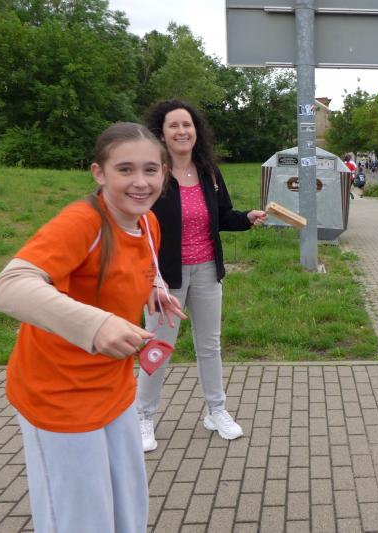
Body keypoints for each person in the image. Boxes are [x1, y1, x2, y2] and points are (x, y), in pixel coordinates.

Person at [0, 122, 186, 532]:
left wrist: (155, 286)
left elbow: (141, 263)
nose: (140, 182)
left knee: (128, 508)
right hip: (59, 395)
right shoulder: (82, 222)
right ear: (99, 173)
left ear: (165, 174)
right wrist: (96, 324)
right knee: (80, 518)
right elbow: (7, 286)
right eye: (125, 169)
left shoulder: (147, 222)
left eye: (151, 170)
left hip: (115, 386)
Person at [136, 100, 267, 452]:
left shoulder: (208, 171)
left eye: (187, 125)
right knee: (158, 346)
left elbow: (222, 216)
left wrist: (246, 218)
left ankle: (216, 411)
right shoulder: (153, 173)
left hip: (208, 270)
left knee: (210, 345)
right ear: (161, 133)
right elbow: (138, 226)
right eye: (174, 126)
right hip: (165, 278)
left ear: (196, 131)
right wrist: (149, 276)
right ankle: (143, 415)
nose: (182, 131)